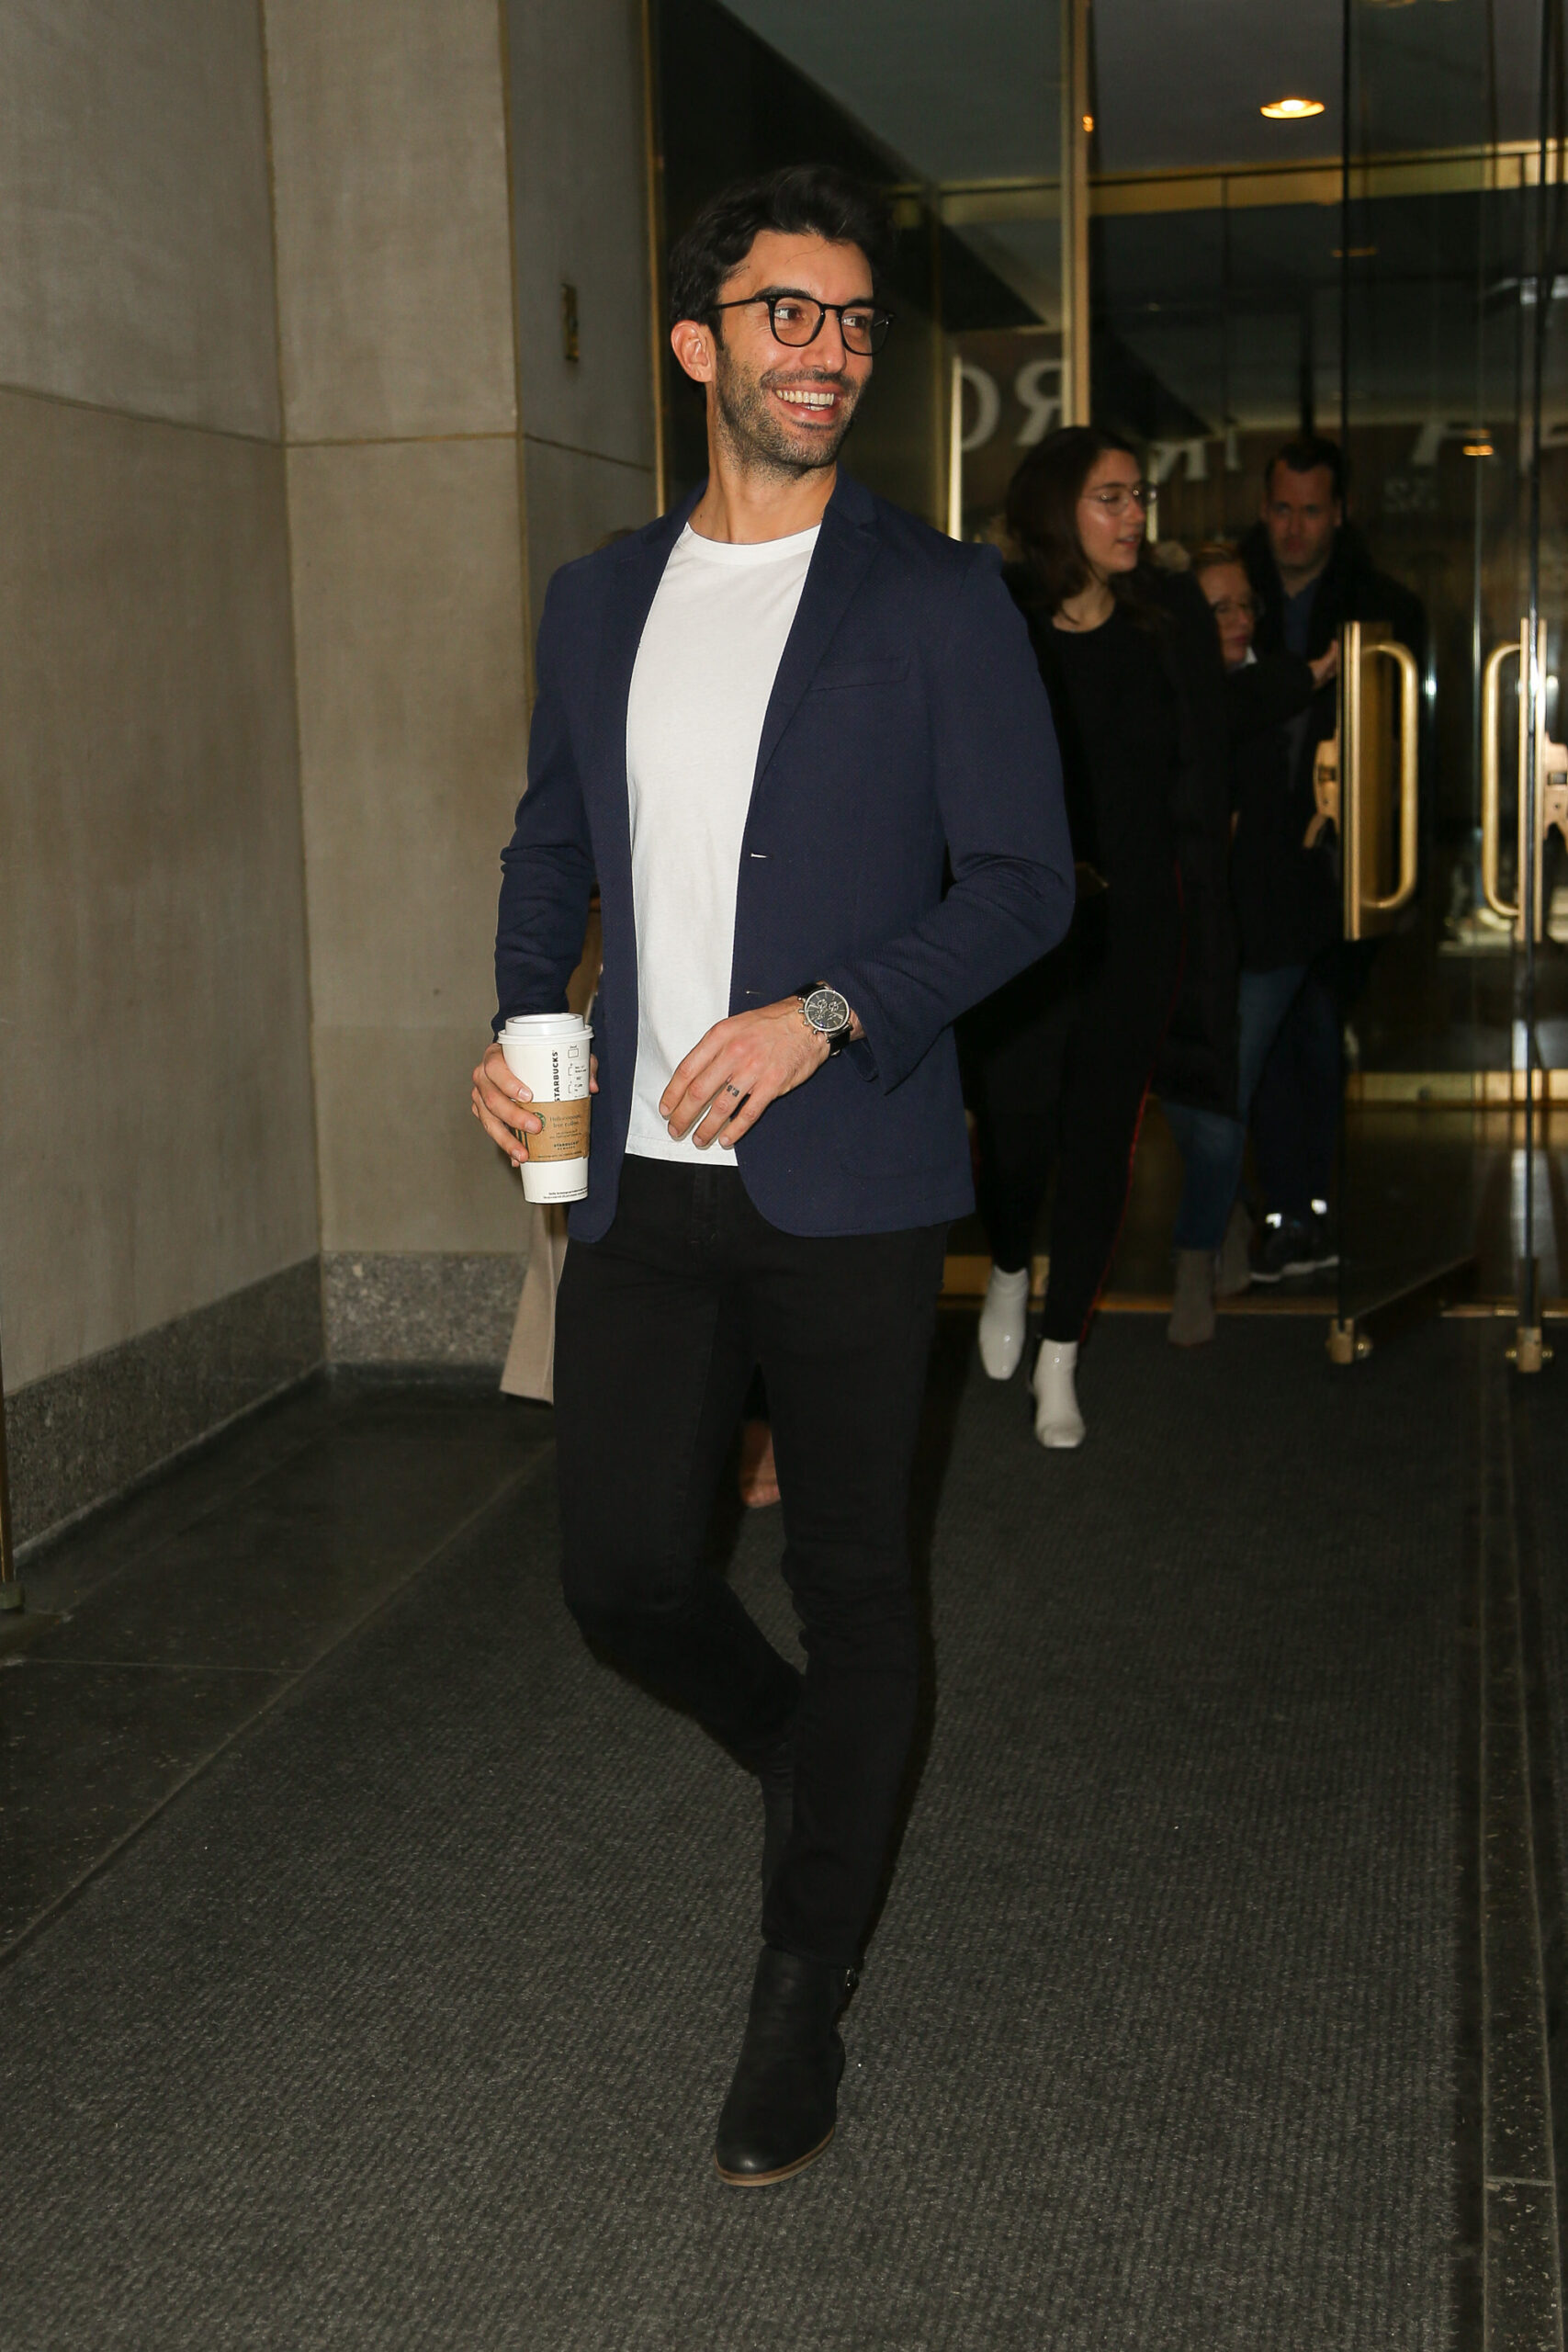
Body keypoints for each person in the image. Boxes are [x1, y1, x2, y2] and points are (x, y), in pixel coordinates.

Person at [470, 165, 1073, 2189]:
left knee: (851, 1577)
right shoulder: (596, 600)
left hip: (851, 1173)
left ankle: (801, 1986)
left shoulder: (933, 598)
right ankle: (811, 1759)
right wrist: (513, 1033)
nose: (824, 350)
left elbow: (1021, 885)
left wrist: (824, 1008)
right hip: (640, 1181)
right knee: (622, 1574)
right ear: (696, 344)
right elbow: (552, 852)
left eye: (847, 322)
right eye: (784, 315)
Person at [964, 426, 1232, 1425]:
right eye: (1110, 497)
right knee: (1019, 1129)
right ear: (1056, 510)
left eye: (1138, 497)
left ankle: (1063, 1351)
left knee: (1102, 1139)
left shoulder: (1165, 629)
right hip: (1021, 934)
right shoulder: (999, 623)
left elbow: (1206, 759)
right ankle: (1003, 1264)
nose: (1133, 517)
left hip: (1136, 928)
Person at [1238, 436, 1425, 1280]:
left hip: (1340, 862)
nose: (1293, 527)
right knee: (1277, 1039)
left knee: (1310, 1035)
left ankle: (1297, 1207)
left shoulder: (1382, 606)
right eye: (1281, 507)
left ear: (1338, 514)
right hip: (1251, 862)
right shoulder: (1229, 596)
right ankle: (1286, 1209)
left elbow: (1406, 751)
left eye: (1310, 510)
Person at [1158, 543, 1339, 1330]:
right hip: (1183, 936)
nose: (1235, 621)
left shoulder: (1280, 691)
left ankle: (1193, 1262)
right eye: (1215, 609)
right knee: (1191, 1102)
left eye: (1243, 606)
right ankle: (1226, 1221)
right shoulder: (1176, 694)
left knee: (1223, 1100)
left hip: (1270, 932)